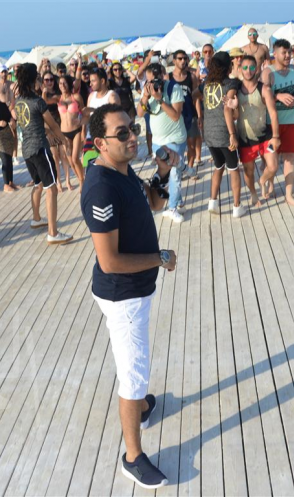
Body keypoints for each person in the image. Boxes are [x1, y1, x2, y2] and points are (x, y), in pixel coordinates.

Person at [81, 104, 177, 489]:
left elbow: (154, 202)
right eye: (122, 133)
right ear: (101, 143)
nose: (133, 136)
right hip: (123, 297)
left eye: (132, 128)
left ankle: (141, 408)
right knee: (133, 374)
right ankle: (133, 457)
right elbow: (109, 262)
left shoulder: (123, 170)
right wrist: (160, 258)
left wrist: (163, 173)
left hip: (137, 291)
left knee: (135, 369)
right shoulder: (101, 187)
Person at [12, 63, 72, 244]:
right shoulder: (38, 102)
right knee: (51, 188)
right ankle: (53, 233)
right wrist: (65, 141)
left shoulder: (19, 101)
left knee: (38, 184)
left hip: (27, 150)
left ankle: (36, 218)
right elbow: (53, 125)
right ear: (33, 80)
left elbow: (27, 123)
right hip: (40, 149)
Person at [136, 63, 189, 222]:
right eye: (148, 80)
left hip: (174, 139)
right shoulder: (147, 90)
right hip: (158, 141)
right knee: (166, 173)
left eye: (154, 80)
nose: (151, 84)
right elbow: (140, 113)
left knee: (174, 174)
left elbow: (175, 116)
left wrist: (160, 100)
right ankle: (179, 201)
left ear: (163, 76)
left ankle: (172, 208)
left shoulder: (173, 88)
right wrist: (145, 97)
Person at [261, 39, 294, 206]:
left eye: (289, 52)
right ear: (275, 54)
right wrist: (277, 96)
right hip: (272, 125)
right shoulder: (268, 72)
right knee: (272, 162)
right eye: (284, 53)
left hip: (293, 122)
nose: (288, 55)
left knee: (290, 158)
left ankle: (289, 195)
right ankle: (267, 182)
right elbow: (262, 97)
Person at [202, 52, 245, 217]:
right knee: (234, 169)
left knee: (218, 166)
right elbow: (228, 107)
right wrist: (232, 134)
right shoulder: (231, 83)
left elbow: (196, 96)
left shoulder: (206, 85)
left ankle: (212, 201)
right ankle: (236, 207)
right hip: (224, 133)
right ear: (229, 66)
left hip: (209, 134)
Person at [234, 55, 279, 206]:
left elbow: (273, 113)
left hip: (266, 136)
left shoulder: (264, 89)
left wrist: (276, 136)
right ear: (240, 69)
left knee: (273, 166)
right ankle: (253, 194)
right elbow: (230, 114)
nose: (248, 71)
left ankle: (263, 180)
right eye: (245, 67)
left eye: (252, 67)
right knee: (249, 171)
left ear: (257, 69)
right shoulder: (236, 90)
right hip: (246, 139)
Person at [168, 50, 201, 174]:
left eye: (185, 58)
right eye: (180, 58)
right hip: (174, 117)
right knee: (175, 146)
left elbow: (196, 98)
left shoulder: (191, 77)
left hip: (190, 115)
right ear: (174, 60)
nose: (183, 61)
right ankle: (178, 169)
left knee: (191, 145)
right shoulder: (168, 77)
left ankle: (190, 167)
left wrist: (199, 116)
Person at [82, 68, 121, 170]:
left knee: (110, 168)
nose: (90, 84)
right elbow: (87, 118)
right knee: (89, 167)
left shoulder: (112, 96)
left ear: (102, 81)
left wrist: (94, 111)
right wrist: (83, 132)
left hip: (107, 138)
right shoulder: (91, 96)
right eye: (90, 81)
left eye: (93, 81)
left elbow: (116, 119)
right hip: (91, 137)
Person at [57, 75, 85, 191]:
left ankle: (82, 181)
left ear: (69, 84)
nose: (62, 85)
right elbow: (45, 100)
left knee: (75, 159)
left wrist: (83, 129)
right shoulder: (58, 99)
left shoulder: (76, 97)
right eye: (60, 83)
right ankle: (80, 178)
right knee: (70, 162)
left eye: (64, 83)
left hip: (76, 130)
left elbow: (84, 112)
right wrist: (43, 91)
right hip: (64, 133)